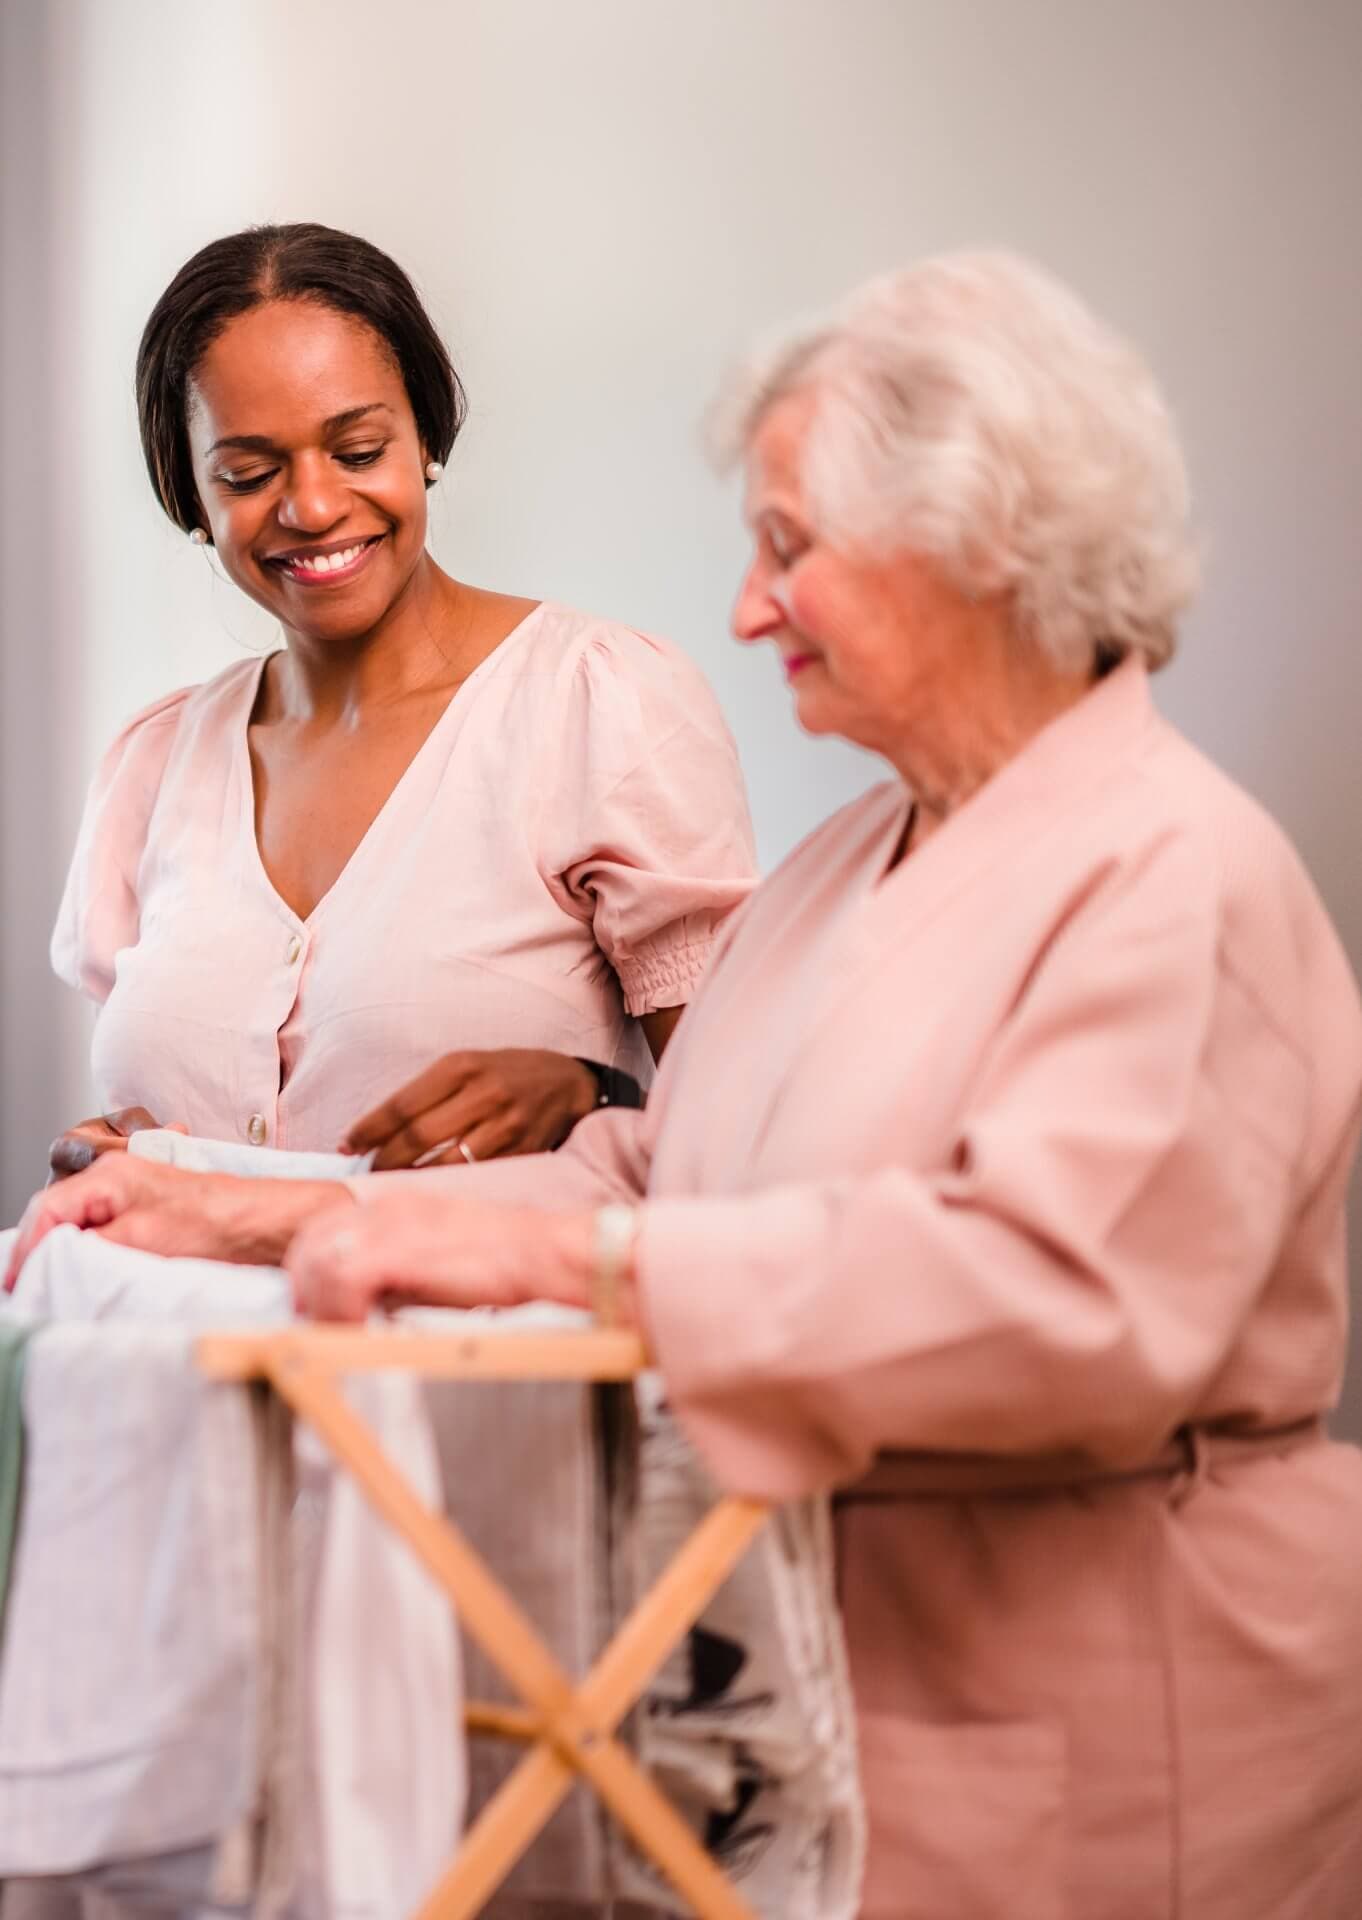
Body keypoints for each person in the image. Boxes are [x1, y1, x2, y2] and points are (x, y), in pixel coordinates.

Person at [12, 253, 1362, 1919]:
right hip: (815, 1709)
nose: (745, 606)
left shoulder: (1176, 873)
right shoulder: (856, 858)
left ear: (981, 554)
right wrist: (234, 1209)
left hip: (1102, 1730)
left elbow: (1053, 1301)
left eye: (788, 549)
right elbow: (664, 1170)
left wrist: (565, 1264)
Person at [40, 222, 756, 1188]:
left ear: (426, 438)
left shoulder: (598, 704)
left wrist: (595, 1094)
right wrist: (109, 1163)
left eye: (358, 448)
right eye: (248, 474)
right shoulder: (154, 764)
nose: (312, 506)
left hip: (487, 1339)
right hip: (181, 1336)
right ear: (191, 495)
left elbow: (753, 1127)